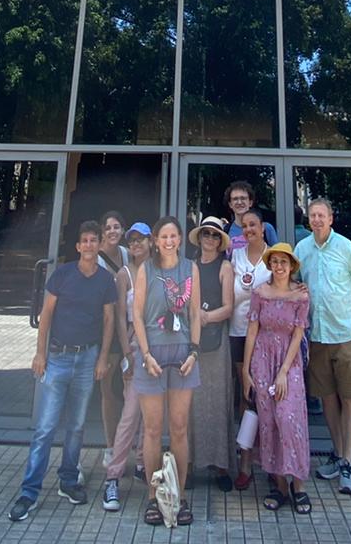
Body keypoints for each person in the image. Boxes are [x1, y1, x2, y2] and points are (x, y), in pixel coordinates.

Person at [8, 221, 116, 524]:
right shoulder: (63, 275)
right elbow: (46, 316)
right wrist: (40, 353)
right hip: (56, 358)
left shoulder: (106, 280)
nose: (91, 245)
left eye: (95, 240)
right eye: (86, 240)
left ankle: (68, 480)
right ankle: (29, 491)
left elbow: (109, 321)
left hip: (87, 358)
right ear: (78, 246)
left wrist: (103, 358)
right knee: (45, 428)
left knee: (77, 425)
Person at [294, 197, 351, 497]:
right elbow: (298, 285)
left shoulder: (345, 248)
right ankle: (339, 454)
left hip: (345, 336)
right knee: (327, 398)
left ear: (331, 218)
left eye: (321, 215)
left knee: (350, 398)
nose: (316, 220)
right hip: (318, 336)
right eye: (313, 215)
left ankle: (348, 462)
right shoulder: (303, 250)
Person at [130, 216, 201, 527]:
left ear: (180, 238)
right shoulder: (146, 269)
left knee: (180, 428)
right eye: (163, 236)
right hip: (152, 354)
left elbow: (196, 312)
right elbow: (136, 312)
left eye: (173, 236)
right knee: (152, 430)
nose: (169, 241)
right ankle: (153, 497)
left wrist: (195, 351)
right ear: (155, 241)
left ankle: (179, 495)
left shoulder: (191, 268)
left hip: (183, 354)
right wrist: (144, 354)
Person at [242, 242, 311, 514]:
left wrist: (283, 370)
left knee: (289, 418)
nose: (279, 267)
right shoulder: (260, 293)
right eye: (275, 262)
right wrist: (246, 371)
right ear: (269, 265)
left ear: (291, 266)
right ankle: (280, 485)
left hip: (288, 362)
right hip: (261, 358)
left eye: (284, 262)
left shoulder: (301, 296)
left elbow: (298, 333)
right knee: (269, 421)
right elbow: (251, 331)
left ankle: (299, 484)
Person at [101, 222, 150, 511]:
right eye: (131, 241)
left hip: (158, 346)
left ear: (151, 242)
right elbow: (120, 317)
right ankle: (113, 476)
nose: (136, 245)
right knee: (130, 413)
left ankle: (144, 463)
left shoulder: (159, 270)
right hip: (133, 344)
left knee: (152, 413)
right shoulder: (124, 274)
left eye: (141, 240)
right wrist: (125, 354)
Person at [187, 215, 236, 491]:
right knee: (191, 402)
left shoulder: (225, 266)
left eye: (215, 235)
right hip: (192, 342)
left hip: (216, 342)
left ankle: (219, 465)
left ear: (220, 241)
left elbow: (229, 306)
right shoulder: (191, 266)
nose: (210, 238)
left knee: (217, 402)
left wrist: (205, 317)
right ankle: (191, 461)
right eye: (206, 233)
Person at [228, 208, 272, 488]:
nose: (248, 230)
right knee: (246, 397)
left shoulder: (275, 257)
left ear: (263, 227)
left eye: (253, 225)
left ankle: (270, 461)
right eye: (244, 226)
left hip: (267, 338)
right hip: (239, 333)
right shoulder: (236, 257)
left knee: (267, 399)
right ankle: (245, 462)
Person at [93, 210, 129, 458]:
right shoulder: (96, 259)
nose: (113, 231)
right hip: (105, 328)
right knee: (108, 388)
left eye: (117, 227)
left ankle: (126, 443)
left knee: (126, 387)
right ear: (102, 232)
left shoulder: (127, 253)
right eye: (108, 228)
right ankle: (109, 445)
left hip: (126, 326)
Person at [225, 181, 278, 250]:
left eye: (243, 198)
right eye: (235, 199)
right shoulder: (225, 231)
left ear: (250, 202)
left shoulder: (266, 228)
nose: (239, 202)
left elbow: (276, 256)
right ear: (230, 204)